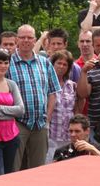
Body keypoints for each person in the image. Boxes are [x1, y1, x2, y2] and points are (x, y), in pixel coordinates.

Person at [6, 25, 61, 170]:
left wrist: (48, 117)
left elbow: (52, 92)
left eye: (29, 37)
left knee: (39, 169)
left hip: (40, 123)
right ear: (17, 40)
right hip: (17, 123)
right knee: (14, 168)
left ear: (35, 40)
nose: (26, 40)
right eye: (22, 37)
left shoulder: (45, 62)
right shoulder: (8, 63)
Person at [0, 50, 24, 176]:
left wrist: (0, 108)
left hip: (12, 136)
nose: (3, 66)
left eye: (6, 63)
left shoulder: (11, 84)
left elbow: (21, 110)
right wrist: (9, 112)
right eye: (0, 62)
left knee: (8, 175)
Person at [46, 50, 78, 162]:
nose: (61, 66)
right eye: (59, 63)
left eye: (65, 64)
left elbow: (76, 107)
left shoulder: (72, 86)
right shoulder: (46, 83)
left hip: (67, 135)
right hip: (51, 135)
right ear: (52, 64)